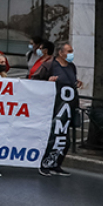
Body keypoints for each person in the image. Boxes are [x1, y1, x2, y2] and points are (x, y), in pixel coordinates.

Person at [32, 41, 81, 177]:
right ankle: (44, 164)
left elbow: (70, 82)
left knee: (64, 139)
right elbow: (33, 81)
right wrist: (47, 83)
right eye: (69, 51)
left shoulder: (71, 67)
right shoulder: (49, 65)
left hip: (67, 109)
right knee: (52, 136)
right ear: (60, 53)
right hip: (53, 108)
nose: (71, 54)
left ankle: (56, 164)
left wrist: (76, 84)